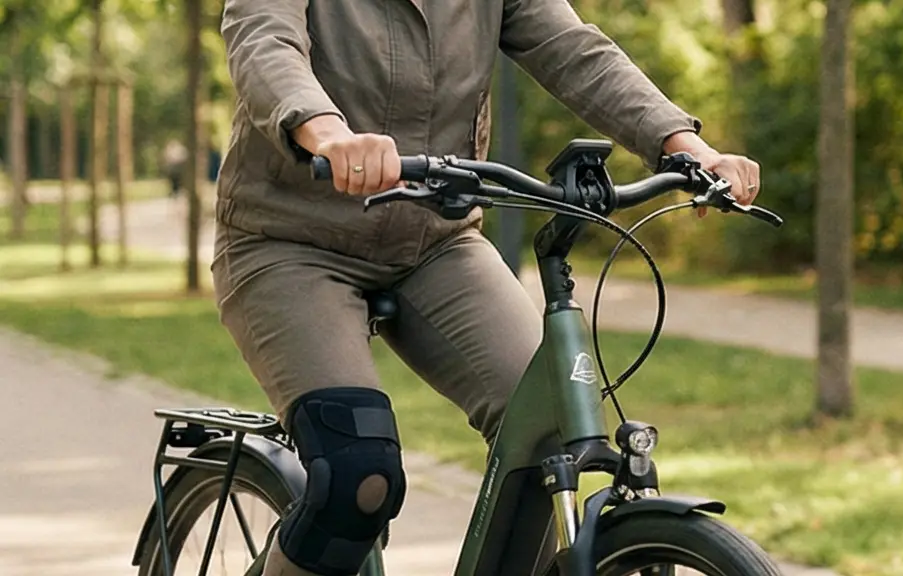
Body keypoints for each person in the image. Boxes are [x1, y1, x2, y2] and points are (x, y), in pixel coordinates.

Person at [216, 1, 762, 574]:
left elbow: (575, 50)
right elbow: (263, 40)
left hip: (436, 240)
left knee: (548, 428)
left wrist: (685, 146)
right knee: (358, 478)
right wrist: (326, 132)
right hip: (290, 241)